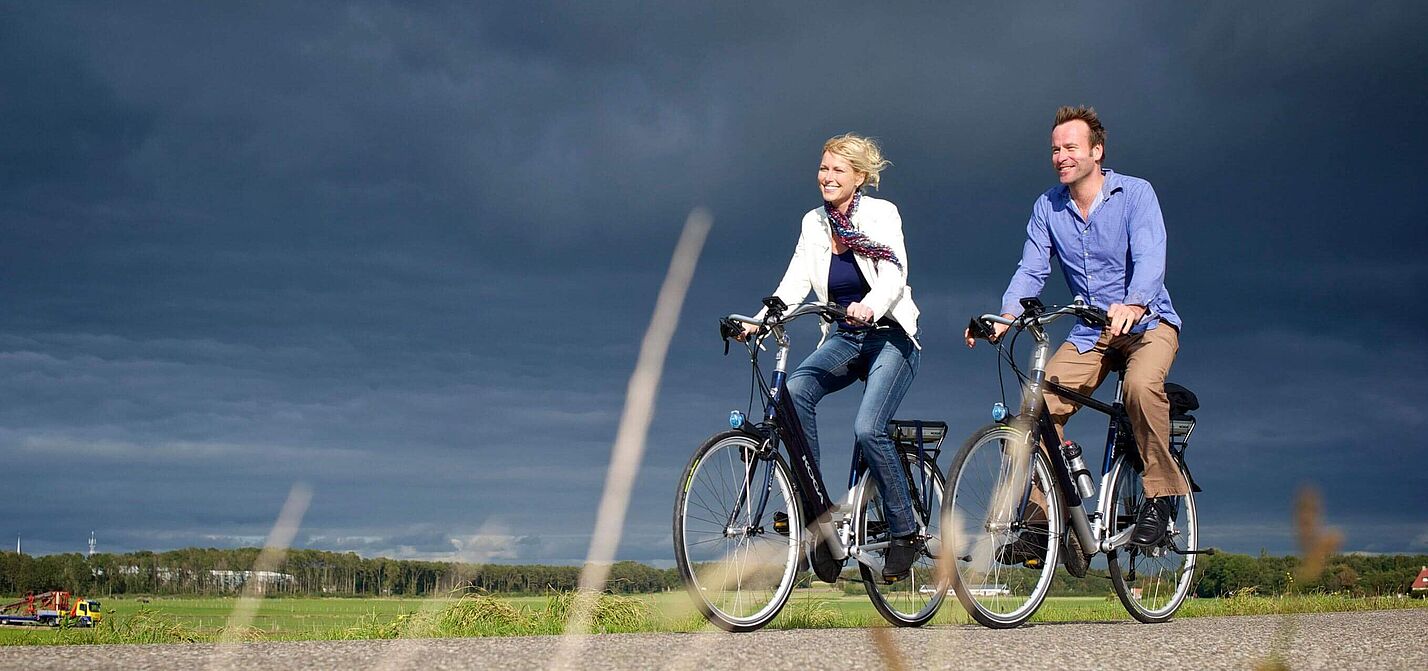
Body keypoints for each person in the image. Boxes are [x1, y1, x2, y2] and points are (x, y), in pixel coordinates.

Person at [966, 106, 1188, 557]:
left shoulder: (1135, 194)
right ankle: (1042, 523)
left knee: (1141, 388)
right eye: (1055, 149)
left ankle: (1163, 497)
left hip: (1147, 323)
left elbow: (1150, 258)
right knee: (1030, 413)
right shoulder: (1048, 207)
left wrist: (1135, 302)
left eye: (1070, 147)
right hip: (1091, 334)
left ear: (1096, 151)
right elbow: (1031, 270)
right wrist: (1005, 316)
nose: (1060, 156)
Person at [739, 133, 923, 583]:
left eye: (838, 169)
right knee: (794, 392)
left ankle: (905, 531)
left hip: (888, 336)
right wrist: (758, 320)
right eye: (823, 168)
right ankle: (819, 514)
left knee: (868, 426)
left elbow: (894, 273)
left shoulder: (882, 215)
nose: (827, 176)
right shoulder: (813, 223)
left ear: (859, 177)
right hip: (843, 337)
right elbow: (793, 282)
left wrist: (870, 306)